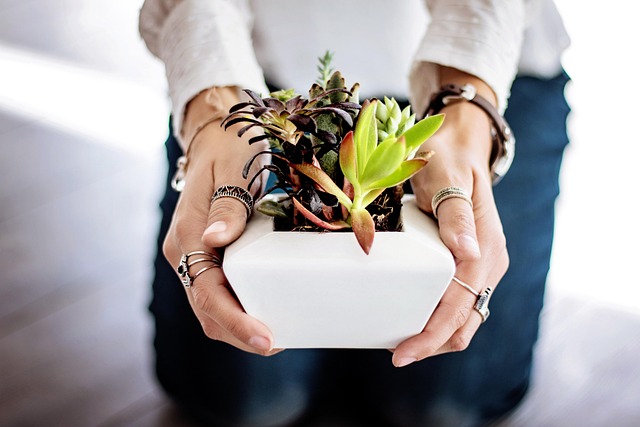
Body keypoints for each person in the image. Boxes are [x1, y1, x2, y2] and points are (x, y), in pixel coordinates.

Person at [139, 1, 571, 425]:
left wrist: (466, 108)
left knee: (443, 407)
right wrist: (211, 108)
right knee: (245, 402)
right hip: (266, 90)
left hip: (488, 77)